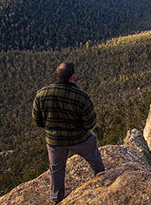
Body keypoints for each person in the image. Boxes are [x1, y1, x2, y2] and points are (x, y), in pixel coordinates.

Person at [32, 62, 105, 204]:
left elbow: (37, 121)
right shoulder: (82, 97)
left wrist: (51, 130)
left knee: (56, 169)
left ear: (57, 76)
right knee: (95, 158)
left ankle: (56, 198)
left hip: (55, 141)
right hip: (79, 139)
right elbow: (90, 123)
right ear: (72, 77)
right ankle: (103, 179)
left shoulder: (41, 94)